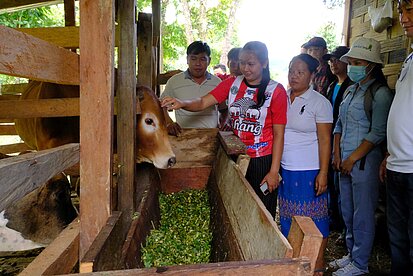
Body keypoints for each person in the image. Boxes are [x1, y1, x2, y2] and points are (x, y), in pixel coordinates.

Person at [161, 41, 287, 219]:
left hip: (262, 159)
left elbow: (280, 134)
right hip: (236, 155)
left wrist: (274, 171)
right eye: (242, 62)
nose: (245, 68)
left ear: (264, 63)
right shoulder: (232, 84)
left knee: (262, 212)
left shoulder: (276, 91)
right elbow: (203, 102)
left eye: (250, 64)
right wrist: (182, 103)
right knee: (237, 206)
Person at [330, 37, 394, 276]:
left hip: (364, 162)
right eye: (352, 61)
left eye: (358, 62)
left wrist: (351, 158)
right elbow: (339, 124)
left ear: (371, 65)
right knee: (347, 208)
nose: (353, 66)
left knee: (363, 212)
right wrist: (337, 155)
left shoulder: (381, 94)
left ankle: (360, 263)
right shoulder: (351, 90)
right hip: (344, 161)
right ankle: (351, 253)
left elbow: (377, 132)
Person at [278, 53, 332, 275]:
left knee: (314, 221)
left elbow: (325, 140)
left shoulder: (320, 103)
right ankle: (295, 265)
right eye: (291, 70)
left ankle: (317, 266)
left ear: (311, 75)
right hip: (285, 169)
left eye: (300, 72)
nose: (294, 76)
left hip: (309, 171)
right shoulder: (281, 97)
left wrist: (323, 173)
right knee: (289, 218)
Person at [379, 1, 413, 275]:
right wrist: (391, 154)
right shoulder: (410, 60)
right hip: (397, 165)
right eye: (402, 11)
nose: (403, 18)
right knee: (398, 239)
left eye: (411, 10)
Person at [323, 46, 353, 245]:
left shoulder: (351, 86)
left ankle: (345, 229)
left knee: (345, 191)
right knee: (333, 186)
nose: (333, 63)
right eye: (331, 60)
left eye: (337, 60)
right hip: (331, 140)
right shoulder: (331, 85)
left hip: (346, 142)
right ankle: (335, 221)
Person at [161, 41, 221, 136]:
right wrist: (169, 122)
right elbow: (162, 105)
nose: (198, 63)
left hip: (211, 136)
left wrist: (223, 123)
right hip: (183, 136)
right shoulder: (174, 81)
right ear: (187, 60)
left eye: (202, 59)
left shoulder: (217, 82)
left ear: (209, 60)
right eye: (193, 59)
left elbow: (223, 108)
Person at [217, 47, 243, 130]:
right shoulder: (220, 80)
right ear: (228, 64)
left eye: (240, 64)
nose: (236, 68)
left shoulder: (250, 85)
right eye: (233, 64)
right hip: (224, 127)